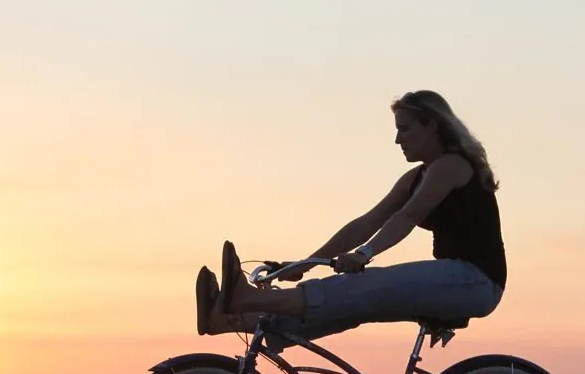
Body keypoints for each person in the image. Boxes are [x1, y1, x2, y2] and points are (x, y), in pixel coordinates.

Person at [194, 90, 507, 343]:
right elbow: (367, 223)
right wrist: (304, 264)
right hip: (455, 279)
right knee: (344, 307)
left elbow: (407, 217)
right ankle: (230, 319)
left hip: (476, 281)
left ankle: (246, 299)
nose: (398, 140)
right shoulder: (415, 178)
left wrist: (364, 254)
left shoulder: (451, 165)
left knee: (362, 286)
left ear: (432, 126)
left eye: (405, 129)